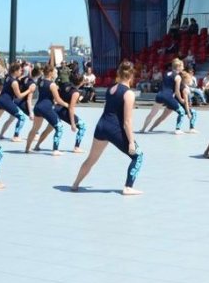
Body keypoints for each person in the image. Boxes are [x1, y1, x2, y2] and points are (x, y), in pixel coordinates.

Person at [72, 61, 143, 195]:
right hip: (113, 129)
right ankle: (128, 187)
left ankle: (75, 184)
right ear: (132, 76)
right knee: (138, 156)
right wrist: (132, 142)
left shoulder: (111, 89)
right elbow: (127, 121)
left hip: (102, 126)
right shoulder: (129, 94)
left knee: (91, 159)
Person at [36, 75, 87, 152]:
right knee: (82, 126)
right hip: (64, 111)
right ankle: (76, 147)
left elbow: (57, 93)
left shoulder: (66, 85)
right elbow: (71, 108)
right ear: (81, 82)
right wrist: (73, 124)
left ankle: (37, 145)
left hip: (55, 109)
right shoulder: (76, 93)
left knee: (49, 129)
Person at [24, 65, 67, 155]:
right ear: (50, 73)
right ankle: (55, 150)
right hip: (46, 108)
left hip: (38, 107)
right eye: (55, 72)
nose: (56, 73)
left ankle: (27, 148)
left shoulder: (41, 82)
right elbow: (58, 99)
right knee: (59, 127)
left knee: (35, 129)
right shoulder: (52, 85)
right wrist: (67, 105)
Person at [0, 63, 30, 141]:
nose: (21, 72)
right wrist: (29, 90)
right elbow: (19, 96)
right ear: (15, 71)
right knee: (22, 117)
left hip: (0, 100)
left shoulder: (8, 78)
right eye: (20, 70)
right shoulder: (14, 82)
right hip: (7, 101)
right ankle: (16, 136)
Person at [140, 58, 184, 133]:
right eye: (182, 66)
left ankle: (143, 129)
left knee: (152, 114)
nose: (183, 68)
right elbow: (177, 91)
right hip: (168, 96)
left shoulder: (166, 73)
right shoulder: (178, 77)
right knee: (182, 112)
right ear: (178, 67)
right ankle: (178, 129)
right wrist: (181, 100)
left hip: (160, 95)